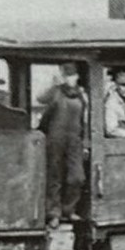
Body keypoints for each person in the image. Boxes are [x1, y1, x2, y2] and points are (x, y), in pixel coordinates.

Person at [37, 63, 87, 228]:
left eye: (71, 75)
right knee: (55, 176)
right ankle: (54, 214)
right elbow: (39, 98)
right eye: (66, 76)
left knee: (77, 177)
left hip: (75, 140)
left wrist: (85, 142)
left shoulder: (82, 95)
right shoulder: (55, 91)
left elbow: (86, 120)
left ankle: (69, 209)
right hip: (55, 139)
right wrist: (53, 83)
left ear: (77, 77)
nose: (69, 79)